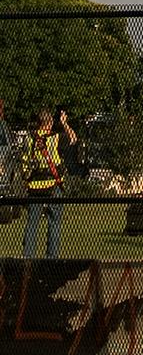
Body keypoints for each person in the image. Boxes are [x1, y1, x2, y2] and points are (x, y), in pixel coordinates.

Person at [21, 108, 76, 259]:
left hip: (35, 186)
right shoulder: (55, 138)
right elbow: (73, 138)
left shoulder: (29, 139)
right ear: (50, 122)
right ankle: (51, 258)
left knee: (32, 223)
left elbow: (24, 162)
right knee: (54, 222)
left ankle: (28, 258)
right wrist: (64, 123)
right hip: (53, 184)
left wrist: (26, 180)